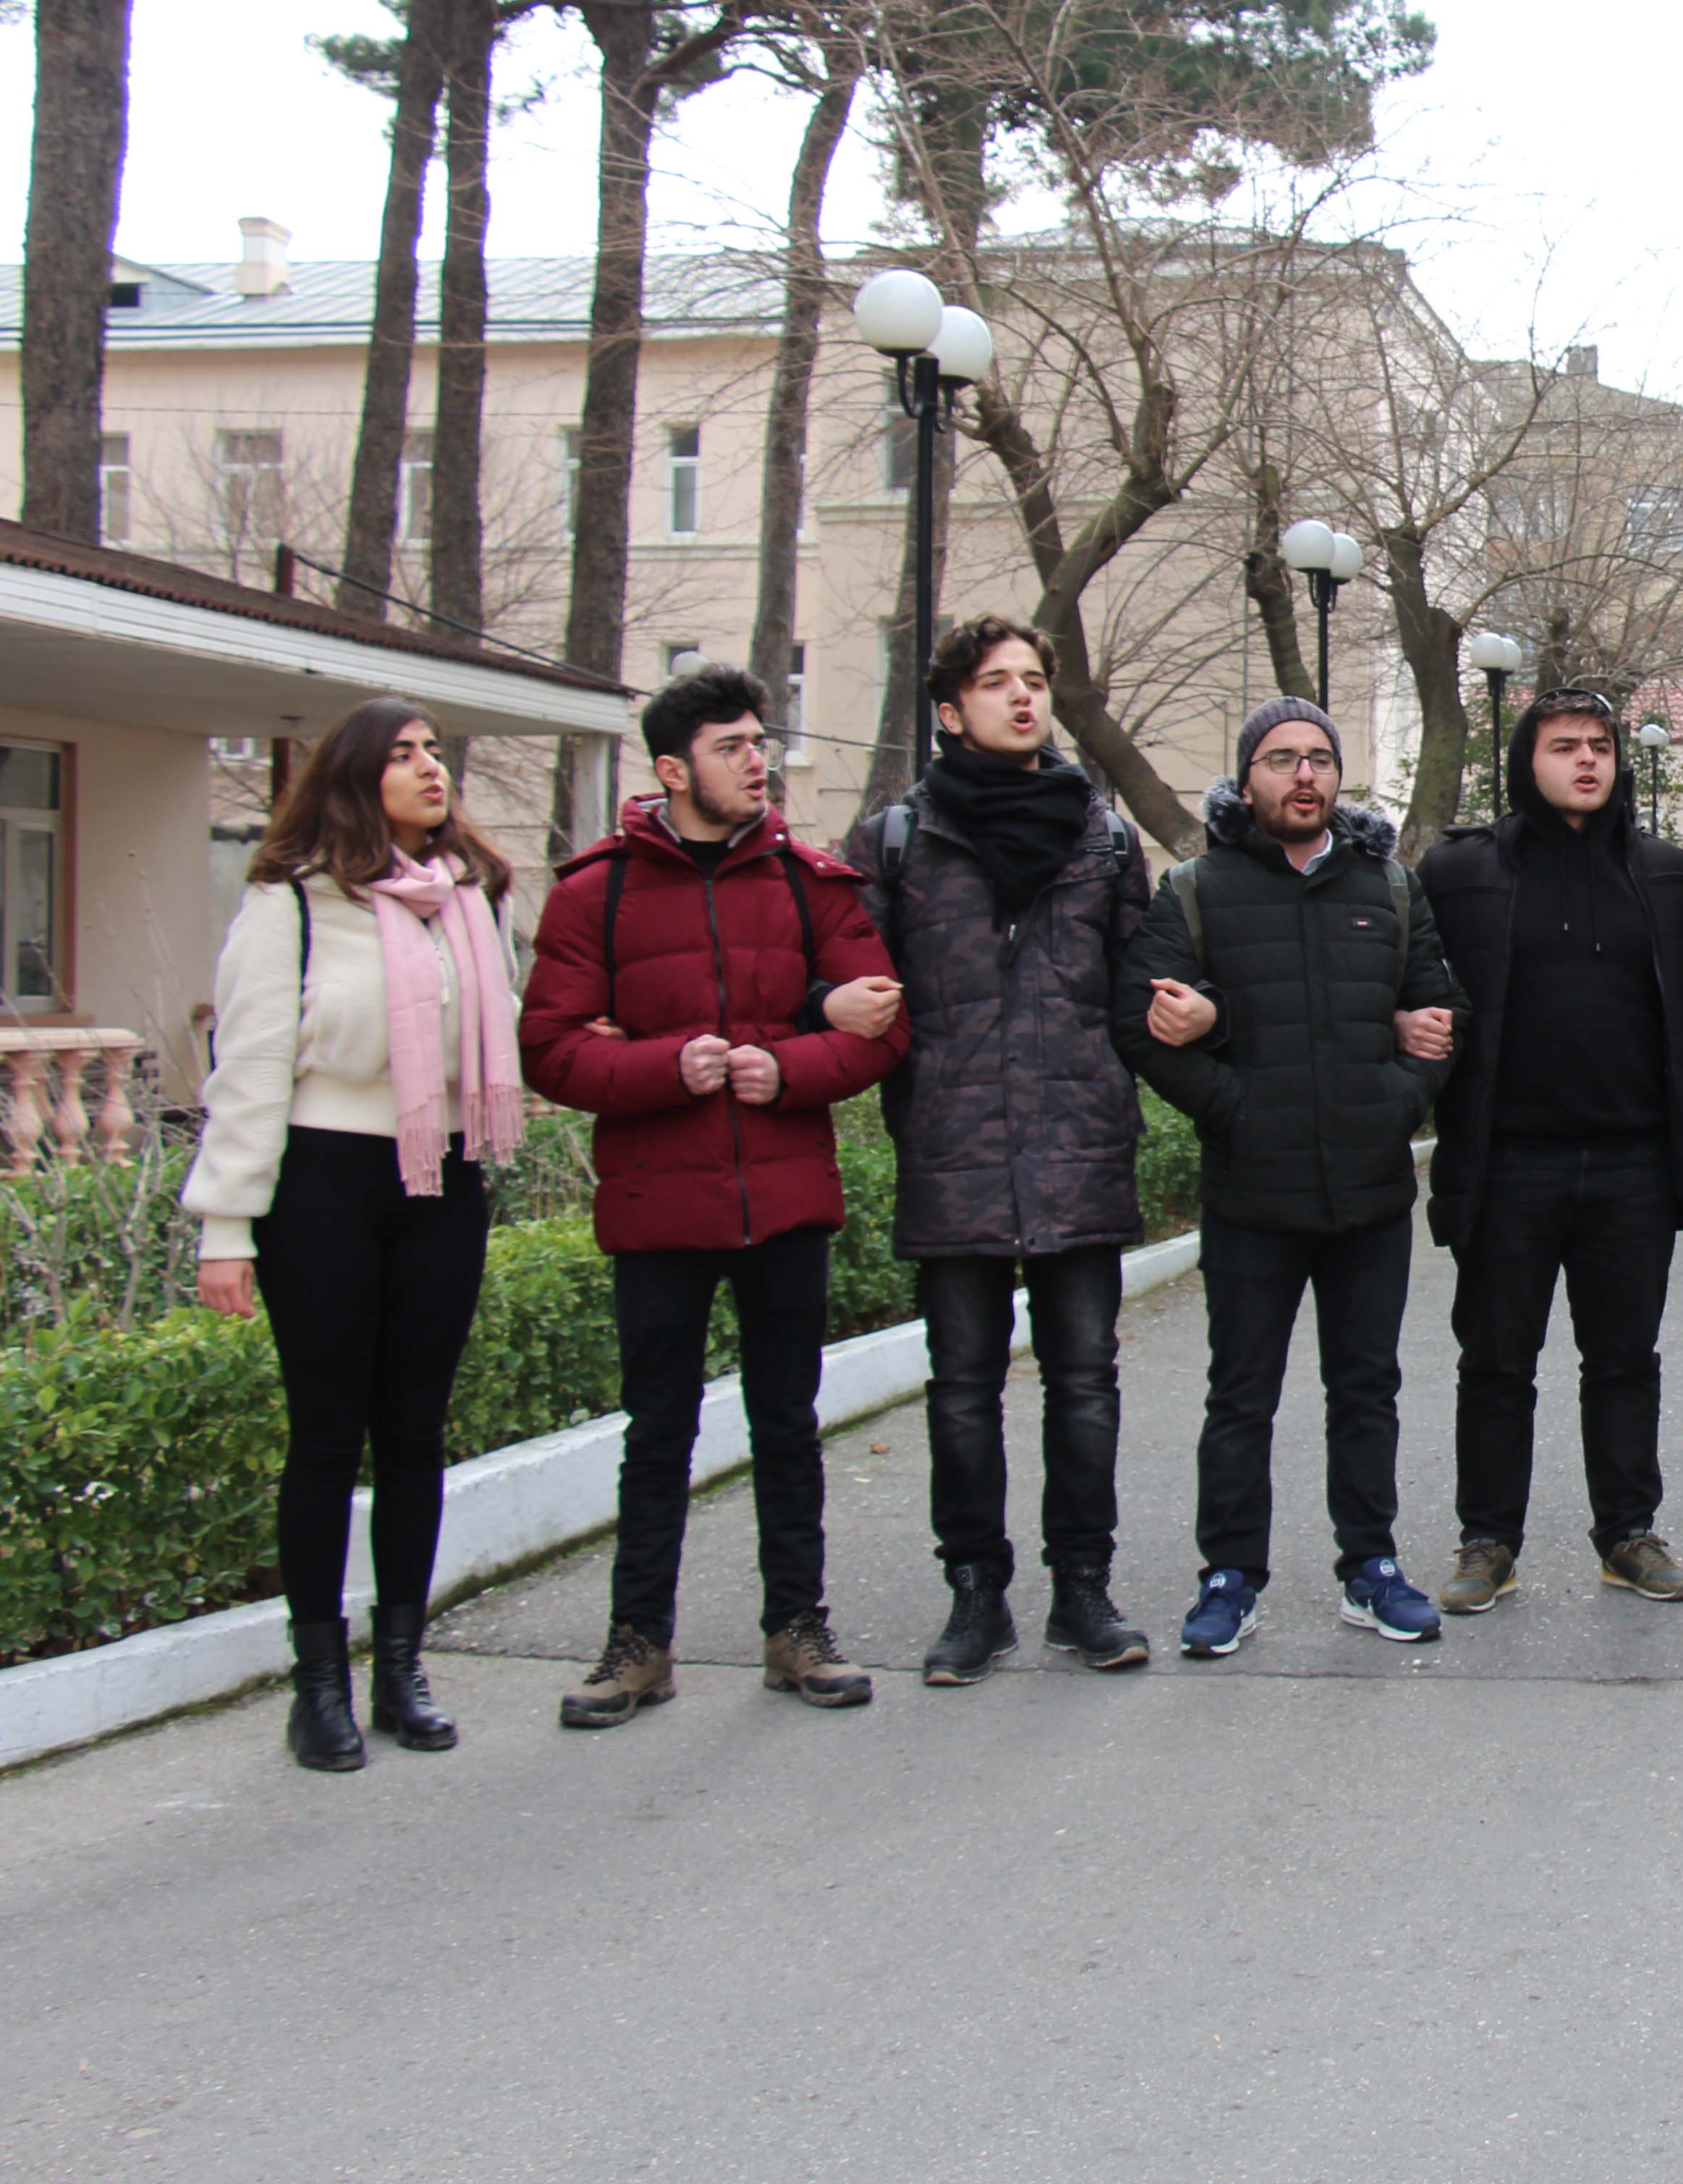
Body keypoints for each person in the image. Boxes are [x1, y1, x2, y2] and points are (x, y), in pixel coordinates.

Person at [523, 664, 910, 1726]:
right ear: (670, 769)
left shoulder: (808, 884)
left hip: (784, 1201)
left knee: (787, 1424)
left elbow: (884, 1028)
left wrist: (786, 1069)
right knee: (658, 1434)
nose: (757, 762)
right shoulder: (591, 893)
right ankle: (637, 1646)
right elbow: (547, 1050)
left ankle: (799, 1632)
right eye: (732, 746)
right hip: (658, 1209)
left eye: (759, 743)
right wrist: (662, 1069)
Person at [182, 701, 529, 1771]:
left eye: (436, 753)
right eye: (404, 755)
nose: (431, 770)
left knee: (416, 1433)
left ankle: (400, 1670)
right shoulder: (292, 905)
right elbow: (245, 1070)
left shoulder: (468, 903)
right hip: (324, 1182)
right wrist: (227, 1229)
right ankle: (318, 1683)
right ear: (353, 778)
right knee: (329, 1437)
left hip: (445, 1179)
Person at [837, 615, 1157, 1683]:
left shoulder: (1104, 838)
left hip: (1077, 1146)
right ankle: (977, 1597)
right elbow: (843, 986)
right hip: (955, 1149)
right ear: (948, 709)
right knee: (962, 1390)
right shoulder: (896, 841)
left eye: (1034, 681)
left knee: (1084, 1385)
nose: (1022, 699)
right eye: (994, 683)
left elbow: (1138, 989)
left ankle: (1083, 1592)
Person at [1114, 695, 1467, 1651]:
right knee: (1241, 1395)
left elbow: (1438, 1015)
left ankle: (1371, 1567)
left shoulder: (1388, 888)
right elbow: (1144, 1026)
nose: (1303, 775)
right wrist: (1233, 1108)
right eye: (1280, 759)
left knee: (1366, 1389)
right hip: (1251, 1195)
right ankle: (1229, 1576)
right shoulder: (1195, 889)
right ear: (1248, 778)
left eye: (1318, 758)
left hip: (1369, 1193)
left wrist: (1398, 1102)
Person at [1417, 688, 1683, 1612]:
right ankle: (1487, 1543)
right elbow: (1408, 975)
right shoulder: (1464, 872)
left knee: (1625, 1360)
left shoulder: (1665, 874)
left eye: (1599, 746)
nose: (1586, 761)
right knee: (1497, 1362)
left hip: (1632, 1163)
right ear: (1525, 762)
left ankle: (1628, 1533)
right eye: (1562, 747)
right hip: (1511, 1162)